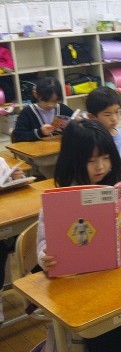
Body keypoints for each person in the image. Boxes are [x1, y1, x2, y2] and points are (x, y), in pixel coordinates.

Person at [37, 120, 121, 352]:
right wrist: (45, 257)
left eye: (106, 157)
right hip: (90, 288)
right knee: (110, 332)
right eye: (91, 161)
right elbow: (43, 244)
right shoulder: (60, 200)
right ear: (73, 161)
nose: (100, 166)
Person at [86, 86, 121, 172]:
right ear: (92, 117)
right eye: (107, 114)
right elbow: (103, 171)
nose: (114, 118)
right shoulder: (94, 141)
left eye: (117, 112)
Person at [0, 158, 27, 323]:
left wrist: (17, 178)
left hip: (9, 218)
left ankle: (46, 296)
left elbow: (8, 185)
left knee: (31, 237)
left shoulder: (1, 161)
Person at [12, 77, 74, 142]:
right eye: (45, 101)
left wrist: (77, 122)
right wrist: (39, 132)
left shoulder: (63, 109)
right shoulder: (27, 113)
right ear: (35, 94)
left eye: (55, 101)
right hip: (36, 148)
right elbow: (18, 136)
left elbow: (76, 131)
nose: (50, 105)